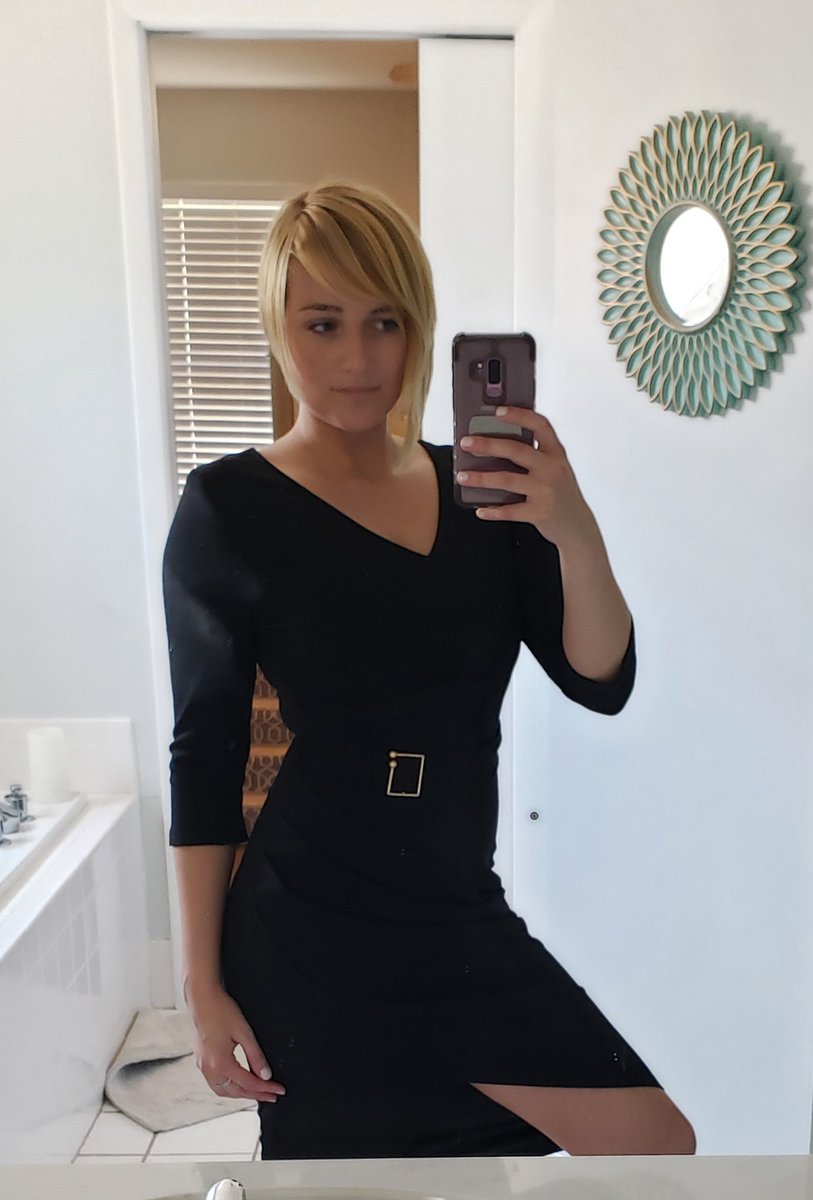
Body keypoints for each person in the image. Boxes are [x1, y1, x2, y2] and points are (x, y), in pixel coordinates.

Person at [162, 180, 696, 1160]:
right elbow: (204, 757)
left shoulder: (483, 497)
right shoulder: (229, 508)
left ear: (420, 328)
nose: (358, 358)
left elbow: (600, 680)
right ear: (278, 327)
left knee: (653, 1142)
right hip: (308, 923)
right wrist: (203, 987)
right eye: (322, 323)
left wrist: (573, 529)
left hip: (456, 910)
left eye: (385, 321)